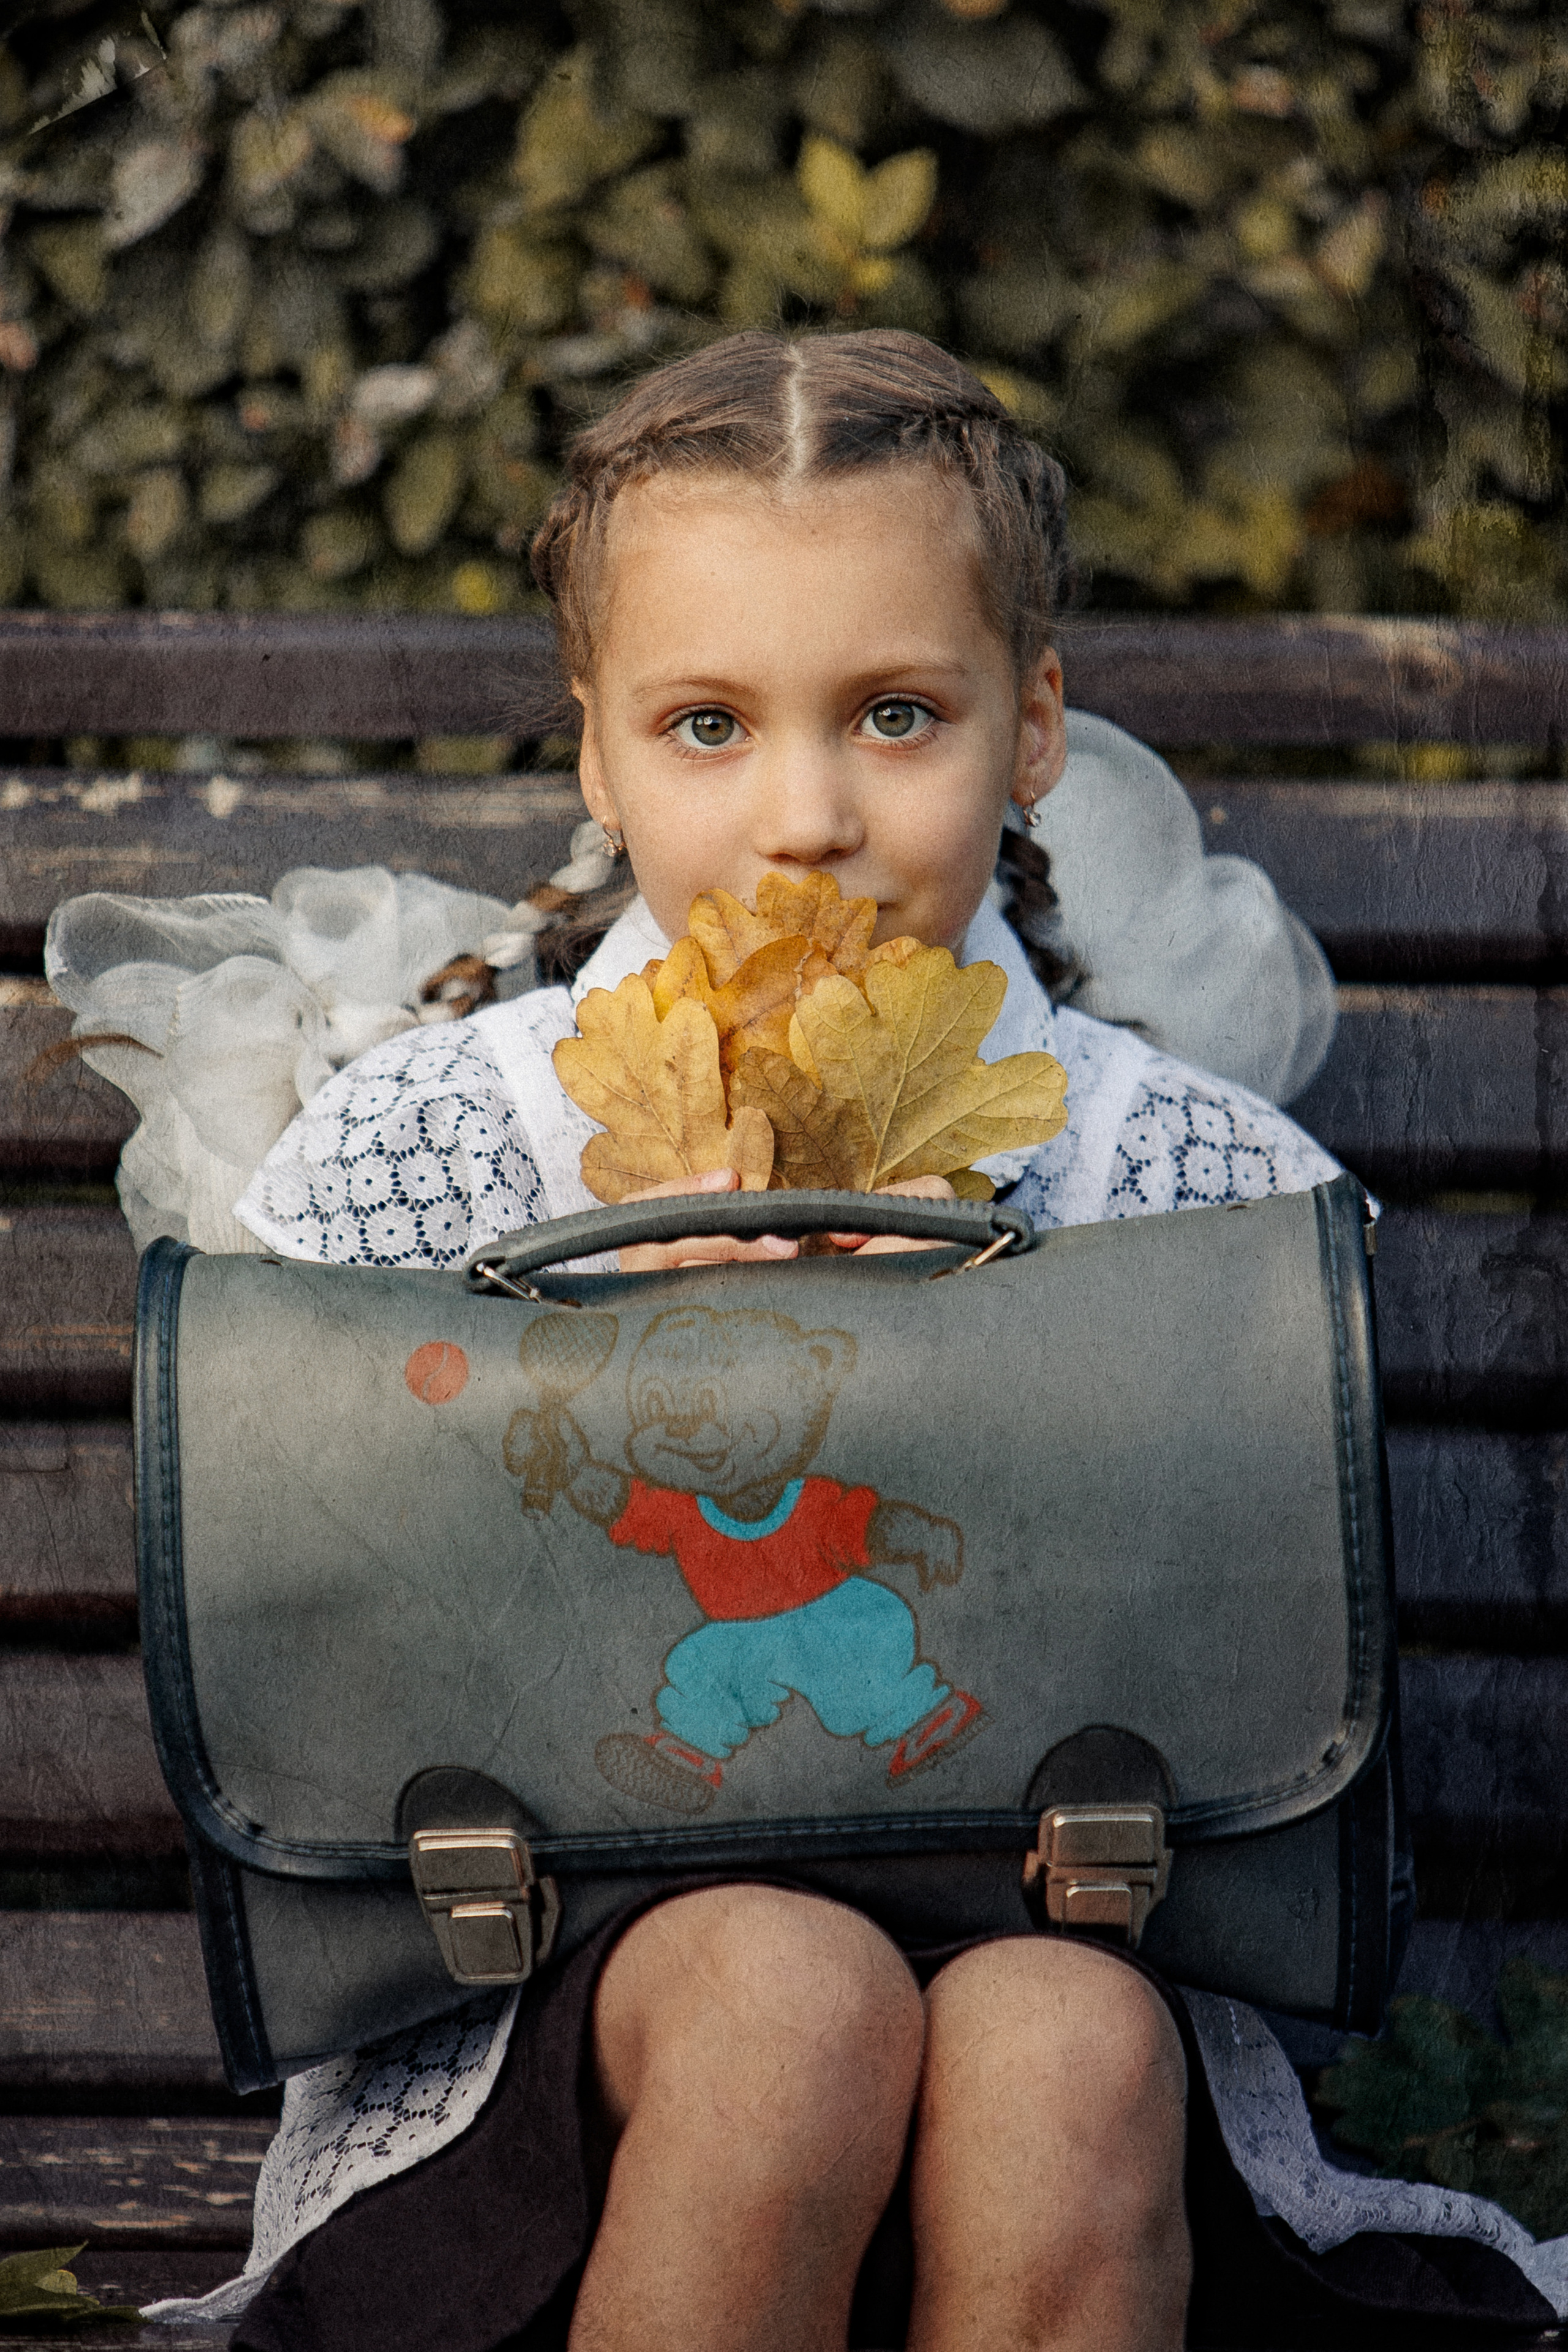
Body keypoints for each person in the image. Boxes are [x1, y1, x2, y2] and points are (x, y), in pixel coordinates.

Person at [145, 331, 1567, 2350]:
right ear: (596, 755)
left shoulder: (1183, 1169)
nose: (805, 814)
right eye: (707, 725)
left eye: (897, 713)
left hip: (1073, 1931)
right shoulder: (450, 1143)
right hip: (557, 2008)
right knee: (783, 2003)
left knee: (1064, 2049)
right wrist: (602, 1390)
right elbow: (305, 1574)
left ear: (1036, 721)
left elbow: (1274, 1627)